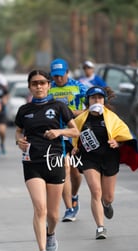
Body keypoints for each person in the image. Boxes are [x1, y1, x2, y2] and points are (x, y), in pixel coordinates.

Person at [14, 69, 79, 251]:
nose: (39, 86)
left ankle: (51, 233)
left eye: (42, 83)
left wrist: (58, 132)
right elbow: (18, 132)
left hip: (55, 162)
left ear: (49, 85)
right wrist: (19, 142)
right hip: (32, 162)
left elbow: (75, 130)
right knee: (39, 208)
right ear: (30, 87)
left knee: (53, 214)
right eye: (35, 83)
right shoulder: (24, 110)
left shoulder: (59, 107)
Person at [72, 86, 138, 239]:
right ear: (88, 101)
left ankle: (107, 204)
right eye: (93, 98)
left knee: (108, 197)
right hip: (89, 159)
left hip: (109, 158)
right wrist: (74, 148)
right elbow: (71, 137)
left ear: (104, 100)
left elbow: (126, 136)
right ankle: (100, 227)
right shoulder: (80, 120)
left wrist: (118, 143)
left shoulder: (112, 118)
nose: (97, 100)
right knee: (96, 191)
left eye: (100, 98)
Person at [49, 58, 87, 222]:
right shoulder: (48, 88)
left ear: (67, 72)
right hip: (58, 133)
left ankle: (74, 194)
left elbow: (90, 108)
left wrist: (71, 113)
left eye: (61, 75)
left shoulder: (79, 87)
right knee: (65, 168)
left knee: (76, 172)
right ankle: (69, 208)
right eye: (55, 76)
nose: (58, 79)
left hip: (75, 132)